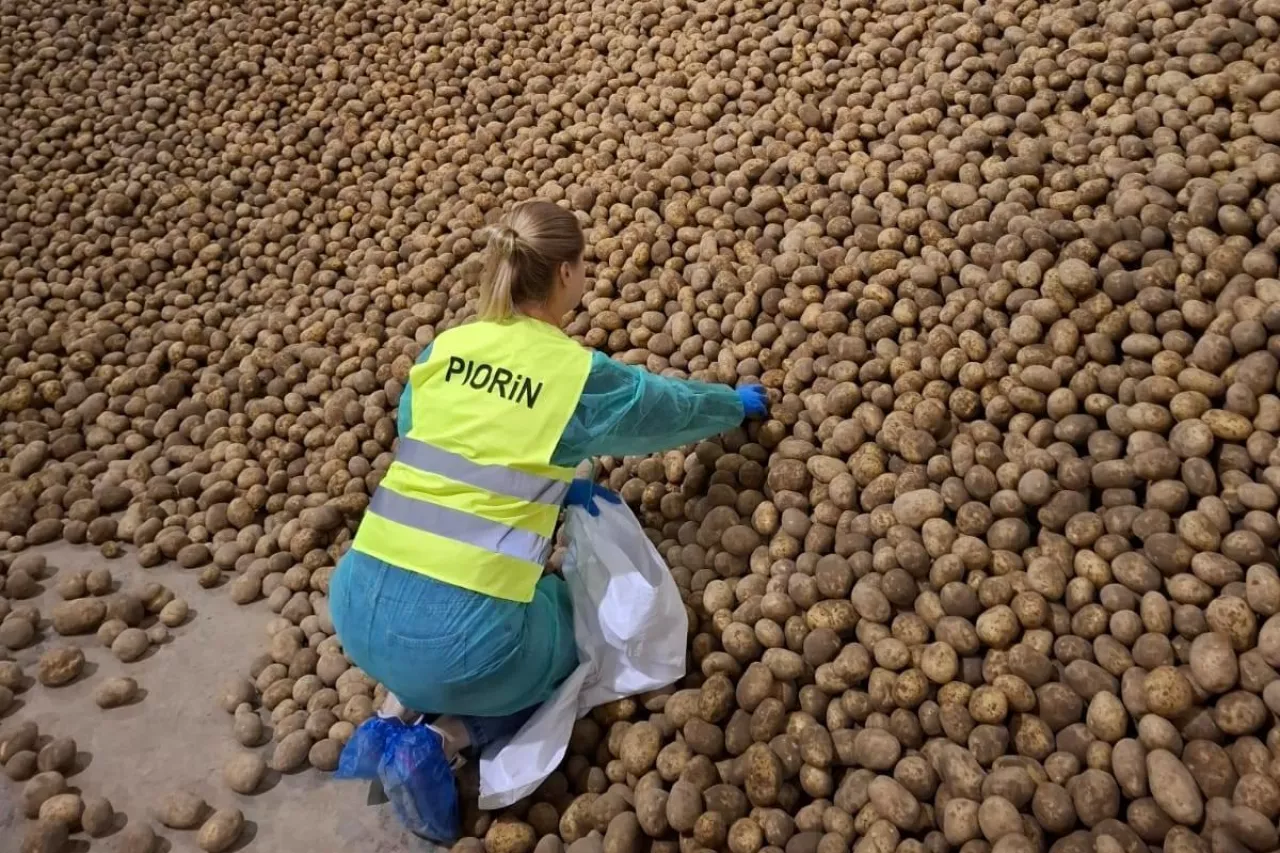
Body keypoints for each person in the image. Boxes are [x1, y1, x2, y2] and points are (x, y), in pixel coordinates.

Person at [329, 199, 769, 839]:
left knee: (448, 616)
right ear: (566, 273)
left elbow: (441, 461)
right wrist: (734, 404)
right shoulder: (572, 376)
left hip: (357, 605)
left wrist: (549, 491)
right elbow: (664, 411)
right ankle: (446, 741)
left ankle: (392, 719)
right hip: (464, 645)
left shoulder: (442, 351)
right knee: (586, 630)